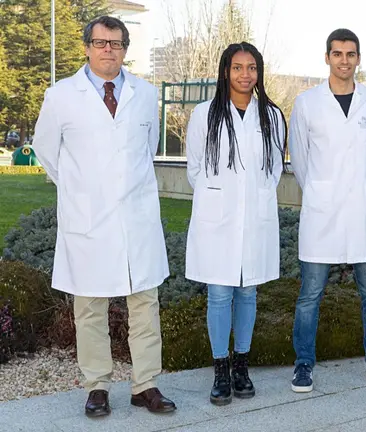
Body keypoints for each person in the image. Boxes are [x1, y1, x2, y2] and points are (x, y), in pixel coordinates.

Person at [32, 16, 175, 417]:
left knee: (144, 303)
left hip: (136, 218)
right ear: (87, 47)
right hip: (88, 220)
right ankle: (97, 386)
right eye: (100, 42)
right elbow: (46, 151)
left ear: (125, 49)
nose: (108, 50)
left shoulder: (145, 94)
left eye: (116, 43)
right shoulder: (61, 95)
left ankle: (145, 384)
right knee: (90, 307)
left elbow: (146, 148)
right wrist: (82, 191)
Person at [288, 28, 366, 392]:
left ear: (358, 59)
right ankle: (303, 364)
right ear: (327, 57)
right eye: (337, 54)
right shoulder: (307, 102)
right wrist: (321, 191)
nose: (344, 60)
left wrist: (352, 186)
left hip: (362, 210)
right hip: (322, 213)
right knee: (310, 295)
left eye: (350, 54)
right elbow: (299, 159)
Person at [185, 42, 286, 406]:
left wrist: (255, 195)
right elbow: (195, 168)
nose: (245, 74)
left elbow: (275, 168)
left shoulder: (271, 115)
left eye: (252, 67)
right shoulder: (204, 114)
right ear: (225, 71)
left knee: (247, 292)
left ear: (259, 72)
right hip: (218, 219)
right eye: (238, 67)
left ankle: (242, 366)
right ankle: (220, 370)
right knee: (219, 294)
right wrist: (217, 196)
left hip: (254, 217)